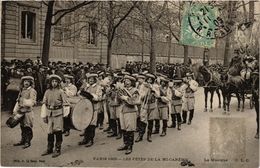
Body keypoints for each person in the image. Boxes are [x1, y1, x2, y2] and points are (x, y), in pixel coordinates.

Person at [41, 74, 69, 158]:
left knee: (58, 130)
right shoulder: (47, 91)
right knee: (50, 131)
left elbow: (66, 103)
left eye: (56, 81)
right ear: (50, 82)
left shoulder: (61, 91)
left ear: (58, 83)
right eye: (52, 81)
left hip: (58, 113)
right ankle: (49, 148)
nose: (54, 83)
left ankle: (57, 149)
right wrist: (44, 114)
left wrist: (65, 114)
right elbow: (44, 103)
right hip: (50, 113)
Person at [78, 73, 103, 147]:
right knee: (86, 122)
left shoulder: (98, 87)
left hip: (94, 107)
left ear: (95, 80)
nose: (91, 80)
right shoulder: (86, 87)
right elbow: (80, 95)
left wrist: (93, 97)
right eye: (89, 79)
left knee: (92, 124)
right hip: (86, 107)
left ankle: (90, 140)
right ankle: (85, 138)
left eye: (92, 79)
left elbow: (99, 97)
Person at [117, 75, 139, 155]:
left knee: (130, 129)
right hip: (122, 110)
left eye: (128, 81)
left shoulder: (135, 90)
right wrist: (118, 96)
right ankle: (125, 144)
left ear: (132, 82)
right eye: (125, 80)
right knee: (123, 128)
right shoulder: (122, 90)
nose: (126, 82)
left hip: (130, 111)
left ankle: (130, 146)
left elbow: (134, 101)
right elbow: (118, 101)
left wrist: (125, 98)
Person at [13, 76, 37, 149]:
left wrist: (24, 102)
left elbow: (33, 102)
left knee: (27, 126)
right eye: (25, 81)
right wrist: (16, 109)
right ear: (23, 82)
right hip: (21, 111)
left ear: (30, 83)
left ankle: (27, 141)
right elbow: (18, 100)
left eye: (28, 81)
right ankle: (22, 140)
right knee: (22, 126)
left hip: (27, 112)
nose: (26, 83)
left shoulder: (32, 91)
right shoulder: (22, 90)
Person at [135, 73, 159, 143]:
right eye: (148, 79)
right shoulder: (143, 86)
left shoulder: (156, 86)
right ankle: (140, 135)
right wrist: (145, 92)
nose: (149, 81)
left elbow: (158, 95)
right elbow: (140, 95)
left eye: (151, 80)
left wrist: (152, 89)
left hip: (152, 105)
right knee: (143, 120)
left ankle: (149, 135)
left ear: (153, 80)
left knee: (150, 120)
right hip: (144, 105)